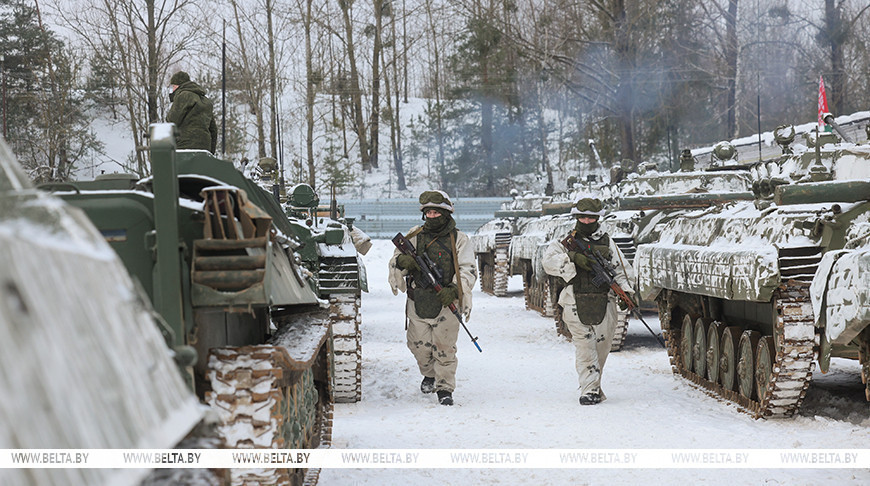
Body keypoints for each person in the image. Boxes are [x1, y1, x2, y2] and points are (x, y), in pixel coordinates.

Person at [542, 197, 635, 405]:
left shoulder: (607, 242)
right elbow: (548, 262)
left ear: (597, 218)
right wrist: (572, 259)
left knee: (602, 347)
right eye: (582, 217)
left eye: (590, 217)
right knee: (585, 347)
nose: (585, 221)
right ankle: (589, 390)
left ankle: (595, 383)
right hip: (575, 300)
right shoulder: (565, 242)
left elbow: (621, 270)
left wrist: (626, 292)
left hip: (604, 301)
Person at [388, 190, 477, 406]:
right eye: (428, 212)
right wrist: (402, 264)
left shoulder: (460, 239)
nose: (432, 216)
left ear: (446, 213)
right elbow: (395, 260)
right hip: (418, 299)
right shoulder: (414, 235)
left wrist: (455, 289)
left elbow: (468, 269)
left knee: (445, 347)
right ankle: (429, 373)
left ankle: (444, 387)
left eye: (436, 213)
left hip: (447, 301)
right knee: (418, 346)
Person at [167, 71, 218, 152]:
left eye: (173, 86)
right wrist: (211, 151)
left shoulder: (183, 95)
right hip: (205, 148)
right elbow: (213, 130)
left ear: (177, 86)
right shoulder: (205, 100)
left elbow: (172, 120)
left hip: (185, 147)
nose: (172, 90)